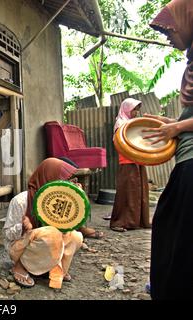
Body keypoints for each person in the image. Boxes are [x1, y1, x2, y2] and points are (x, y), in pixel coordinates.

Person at [144, 0, 193, 299]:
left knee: (180, 234)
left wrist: (176, 128)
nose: (168, 38)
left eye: (170, 31)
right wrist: (173, 122)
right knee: (170, 227)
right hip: (186, 160)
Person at [3, 158, 85, 289]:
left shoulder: (59, 199)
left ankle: (52, 268)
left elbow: (71, 226)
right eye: (63, 180)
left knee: (76, 236)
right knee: (52, 233)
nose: (66, 184)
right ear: (49, 178)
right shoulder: (21, 201)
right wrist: (23, 227)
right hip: (19, 247)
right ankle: (20, 267)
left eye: (69, 180)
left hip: (46, 242)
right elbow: (7, 234)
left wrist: (78, 199)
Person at [110, 98, 151, 232]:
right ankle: (120, 222)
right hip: (127, 161)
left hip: (138, 159)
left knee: (140, 191)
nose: (136, 112)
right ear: (127, 109)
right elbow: (120, 143)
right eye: (134, 110)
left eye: (137, 110)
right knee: (127, 191)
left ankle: (139, 221)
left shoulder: (132, 123)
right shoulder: (120, 123)